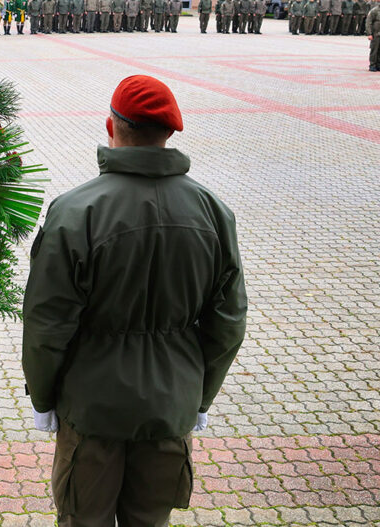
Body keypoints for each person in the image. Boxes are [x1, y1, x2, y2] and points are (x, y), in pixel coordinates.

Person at [23, 75, 247, 527]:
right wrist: (199, 397)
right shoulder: (213, 212)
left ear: (111, 125)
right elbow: (228, 322)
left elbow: (47, 323)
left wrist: (43, 397)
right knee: (150, 521)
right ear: (169, 133)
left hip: (91, 409)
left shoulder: (74, 211)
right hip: (170, 407)